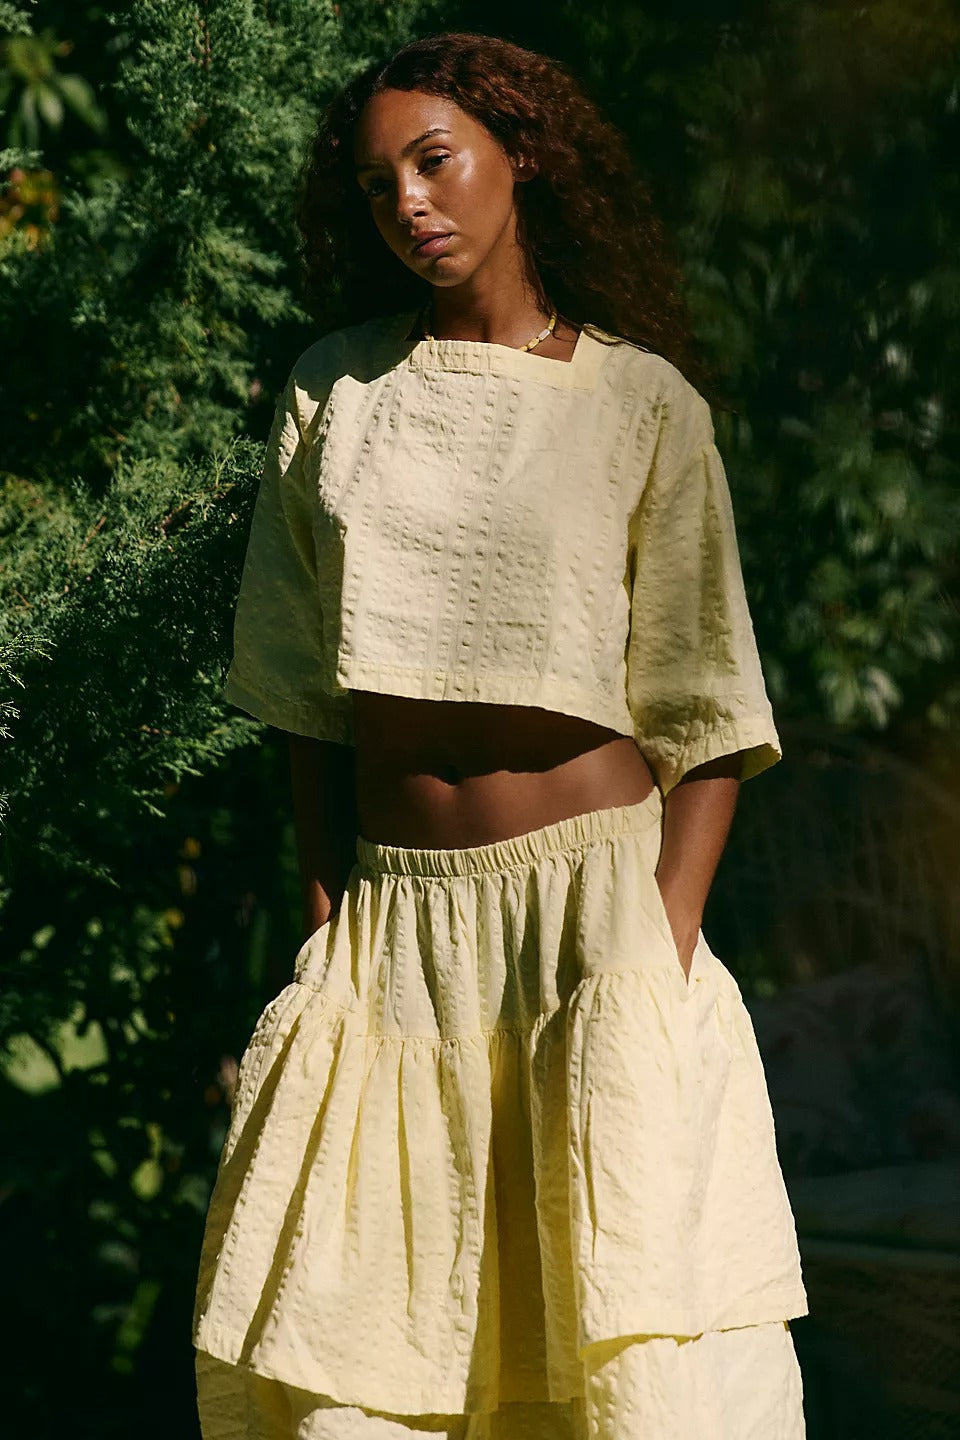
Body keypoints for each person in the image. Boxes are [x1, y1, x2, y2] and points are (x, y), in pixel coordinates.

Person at [191, 29, 808, 1440]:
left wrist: (656, 941)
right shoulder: (336, 394)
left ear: (520, 154)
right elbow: (301, 699)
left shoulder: (640, 402)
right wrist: (328, 910)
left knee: (622, 1357)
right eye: (377, 185)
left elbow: (709, 709)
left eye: (435, 160)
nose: (409, 203)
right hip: (393, 938)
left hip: (596, 928)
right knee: (358, 1363)